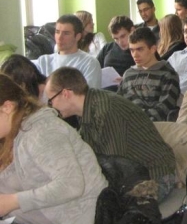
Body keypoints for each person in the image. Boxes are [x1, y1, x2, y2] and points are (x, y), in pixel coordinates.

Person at [0, 74, 109, 224]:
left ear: (7, 107)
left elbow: (70, 185)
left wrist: (11, 202)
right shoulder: (12, 131)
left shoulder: (41, 132)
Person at [44, 67, 178, 199]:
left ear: (66, 94)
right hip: (131, 173)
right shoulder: (86, 108)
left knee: (103, 207)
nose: (51, 107)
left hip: (154, 176)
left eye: (51, 100)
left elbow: (115, 166)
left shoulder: (106, 110)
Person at [118, 27, 180, 121]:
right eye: (132, 50)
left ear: (153, 49)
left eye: (140, 49)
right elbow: (118, 104)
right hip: (126, 124)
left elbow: (164, 109)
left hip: (154, 125)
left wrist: (136, 120)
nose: (135, 55)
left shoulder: (168, 74)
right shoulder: (128, 74)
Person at [33, 14, 102, 89]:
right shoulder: (43, 61)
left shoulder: (89, 63)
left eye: (66, 33)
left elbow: (89, 94)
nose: (60, 37)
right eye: (57, 32)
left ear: (77, 37)